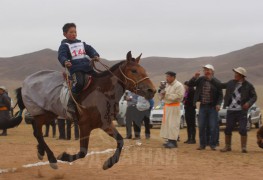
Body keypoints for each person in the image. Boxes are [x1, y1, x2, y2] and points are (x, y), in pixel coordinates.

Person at [58, 23, 100, 120]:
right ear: (65, 34)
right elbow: (61, 55)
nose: (74, 34)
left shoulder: (82, 44)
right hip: (75, 68)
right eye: (71, 32)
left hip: (87, 67)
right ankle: (71, 103)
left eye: (75, 32)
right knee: (79, 83)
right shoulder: (64, 46)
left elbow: (90, 49)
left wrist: (95, 55)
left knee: (99, 79)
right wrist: (65, 61)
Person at [220, 67, 257, 153]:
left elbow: (254, 96)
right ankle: (227, 146)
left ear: (241, 75)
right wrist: (211, 78)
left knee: (242, 129)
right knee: (228, 128)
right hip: (231, 110)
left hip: (242, 111)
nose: (235, 74)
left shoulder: (248, 85)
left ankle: (243, 147)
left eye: (237, 73)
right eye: (235, 73)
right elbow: (220, 85)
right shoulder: (231, 83)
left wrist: (248, 103)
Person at [188, 64, 223, 150]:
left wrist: (218, 104)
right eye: (205, 70)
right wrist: (194, 77)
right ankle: (202, 145)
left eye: (208, 70)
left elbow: (220, 95)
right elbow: (190, 84)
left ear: (212, 72)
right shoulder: (200, 80)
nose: (206, 72)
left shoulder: (217, 82)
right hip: (203, 106)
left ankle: (213, 144)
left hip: (213, 107)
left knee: (213, 126)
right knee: (201, 126)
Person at [160, 71, 185, 148]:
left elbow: (179, 96)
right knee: (167, 124)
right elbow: (162, 96)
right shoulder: (167, 85)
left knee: (173, 124)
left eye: (168, 77)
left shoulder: (179, 85)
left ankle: (173, 141)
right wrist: (161, 91)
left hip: (174, 107)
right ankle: (169, 140)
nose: (166, 78)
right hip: (167, 106)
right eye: (166, 77)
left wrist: (166, 95)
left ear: (173, 77)